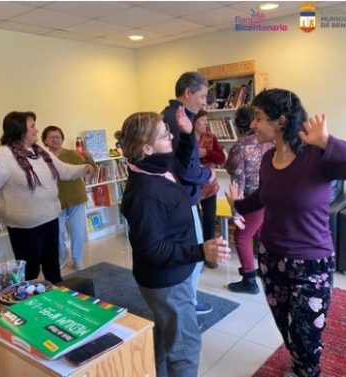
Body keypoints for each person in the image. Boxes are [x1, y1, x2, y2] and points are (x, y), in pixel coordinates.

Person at [225, 89, 346, 377]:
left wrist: (327, 141)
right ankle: (298, 363)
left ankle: (306, 370)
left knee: (307, 331)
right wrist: (239, 204)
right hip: (271, 258)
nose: (253, 125)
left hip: (311, 263)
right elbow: (264, 195)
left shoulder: (317, 156)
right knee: (286, 326)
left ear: (281, 121)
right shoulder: (268, 158)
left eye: (258, 118)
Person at [117, 111, 230, 377]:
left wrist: (189, 133)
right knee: (185, 347)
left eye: (168, 129)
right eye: (163, 134)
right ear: (146, 148)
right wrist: (200, 250)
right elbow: (152, 248)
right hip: (166, 280)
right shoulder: (146, 192)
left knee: (168, 336)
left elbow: (183, 160)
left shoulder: (156, 166)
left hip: (168, 275)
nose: (170, 135)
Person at [0, 111, 93, 284]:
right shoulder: (2, 156)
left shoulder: (40, 152)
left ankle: (57, 302)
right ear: (19, 130)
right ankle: (29, 305)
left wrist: (84, 169)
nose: (36, 130)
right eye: (32, 126)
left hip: (50, 219)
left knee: (52, 268)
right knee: (29, 273)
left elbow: (64, 171)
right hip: (24, 228)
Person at [162, 72, 216, 315]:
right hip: (182, 199)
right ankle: (188, 303)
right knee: (194, 256)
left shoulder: (169, 116)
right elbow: (186, 169)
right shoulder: (179, 120)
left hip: (175, 198)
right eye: (202, 96)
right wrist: (208, 175)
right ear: (187, 92)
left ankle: (184, 301)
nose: (205, 102)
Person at [225, 106, 272, 293]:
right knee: (260, 234)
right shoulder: (267, 142)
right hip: (268, 198)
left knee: (242, 237)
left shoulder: (239, 148)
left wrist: (236, 212)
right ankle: (262, 269)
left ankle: (249, 280)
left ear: (237, 125)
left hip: (252, 201)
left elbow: (238, 184)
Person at [41, 125, 97, 271]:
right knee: (57, 234)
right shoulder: (42, 158)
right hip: (53, 203)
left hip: (76, 199)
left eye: (58, 136)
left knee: (77, 232)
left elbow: (90, 171)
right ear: (45, 140)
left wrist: (90, 160)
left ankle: (77, 259)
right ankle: (62, 257)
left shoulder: (72, 154)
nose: (55, 139)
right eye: (51, 137)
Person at [194, 109, 226, 269]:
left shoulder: (210, 137)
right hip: (190, 188)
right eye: (203, 121)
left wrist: (206, 152)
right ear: (193, 122)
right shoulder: (184, 139)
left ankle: (210, 255)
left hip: (209, 187)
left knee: (209, 221)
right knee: (194, 222)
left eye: (207, 121)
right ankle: (197, 255)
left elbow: (221, 158)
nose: (206, 124)